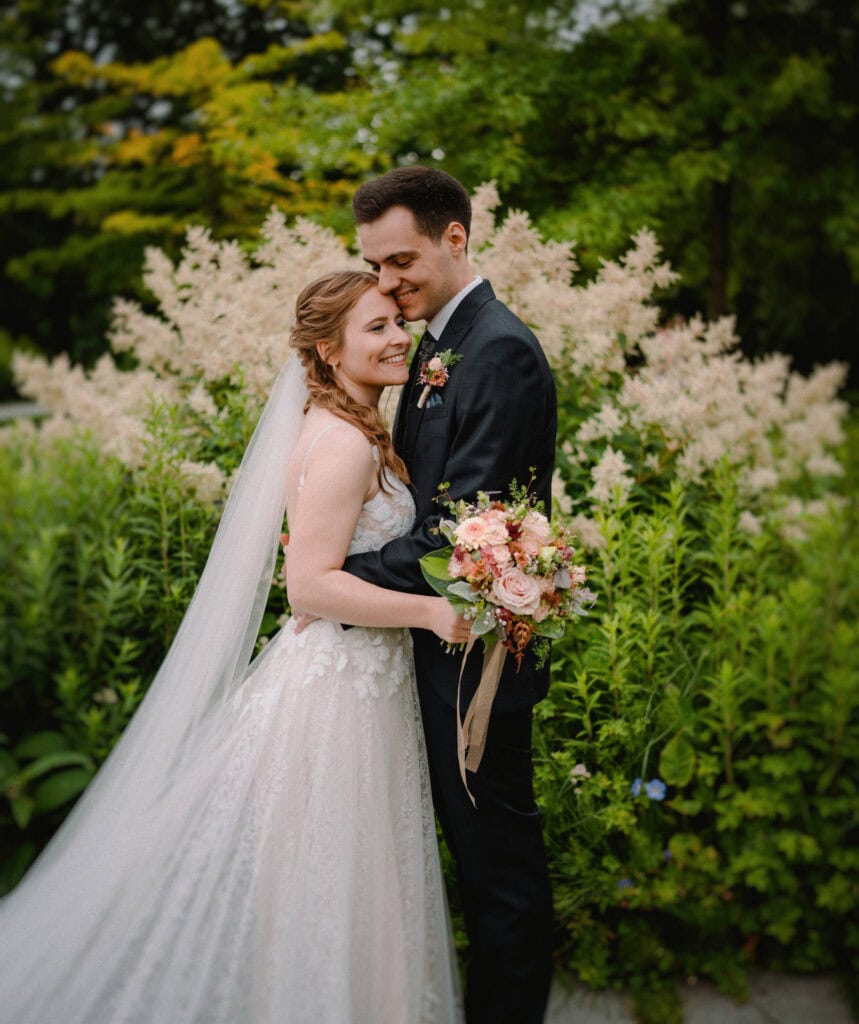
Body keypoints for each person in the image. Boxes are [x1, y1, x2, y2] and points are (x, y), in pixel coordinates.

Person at [0, 270, 469, 1024]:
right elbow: (308, 586)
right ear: (328, 346)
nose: (397, 338)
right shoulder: (344, 444)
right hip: (340, 687)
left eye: (396, 322)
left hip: (361, 677)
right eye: (376, 327)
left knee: (341, 881)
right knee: (338, 879)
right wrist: (428, 611)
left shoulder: (344, 425)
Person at [342, 166, 558, 1024]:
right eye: (374, 266)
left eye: (399, 261)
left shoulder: (497, 348)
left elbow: (456, 535)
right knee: (469, 860)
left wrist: (334, 579)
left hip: (476, 658)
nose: (386, 283)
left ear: (455, 238)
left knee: (497, 868)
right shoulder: (435, 342)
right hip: (432, 645)